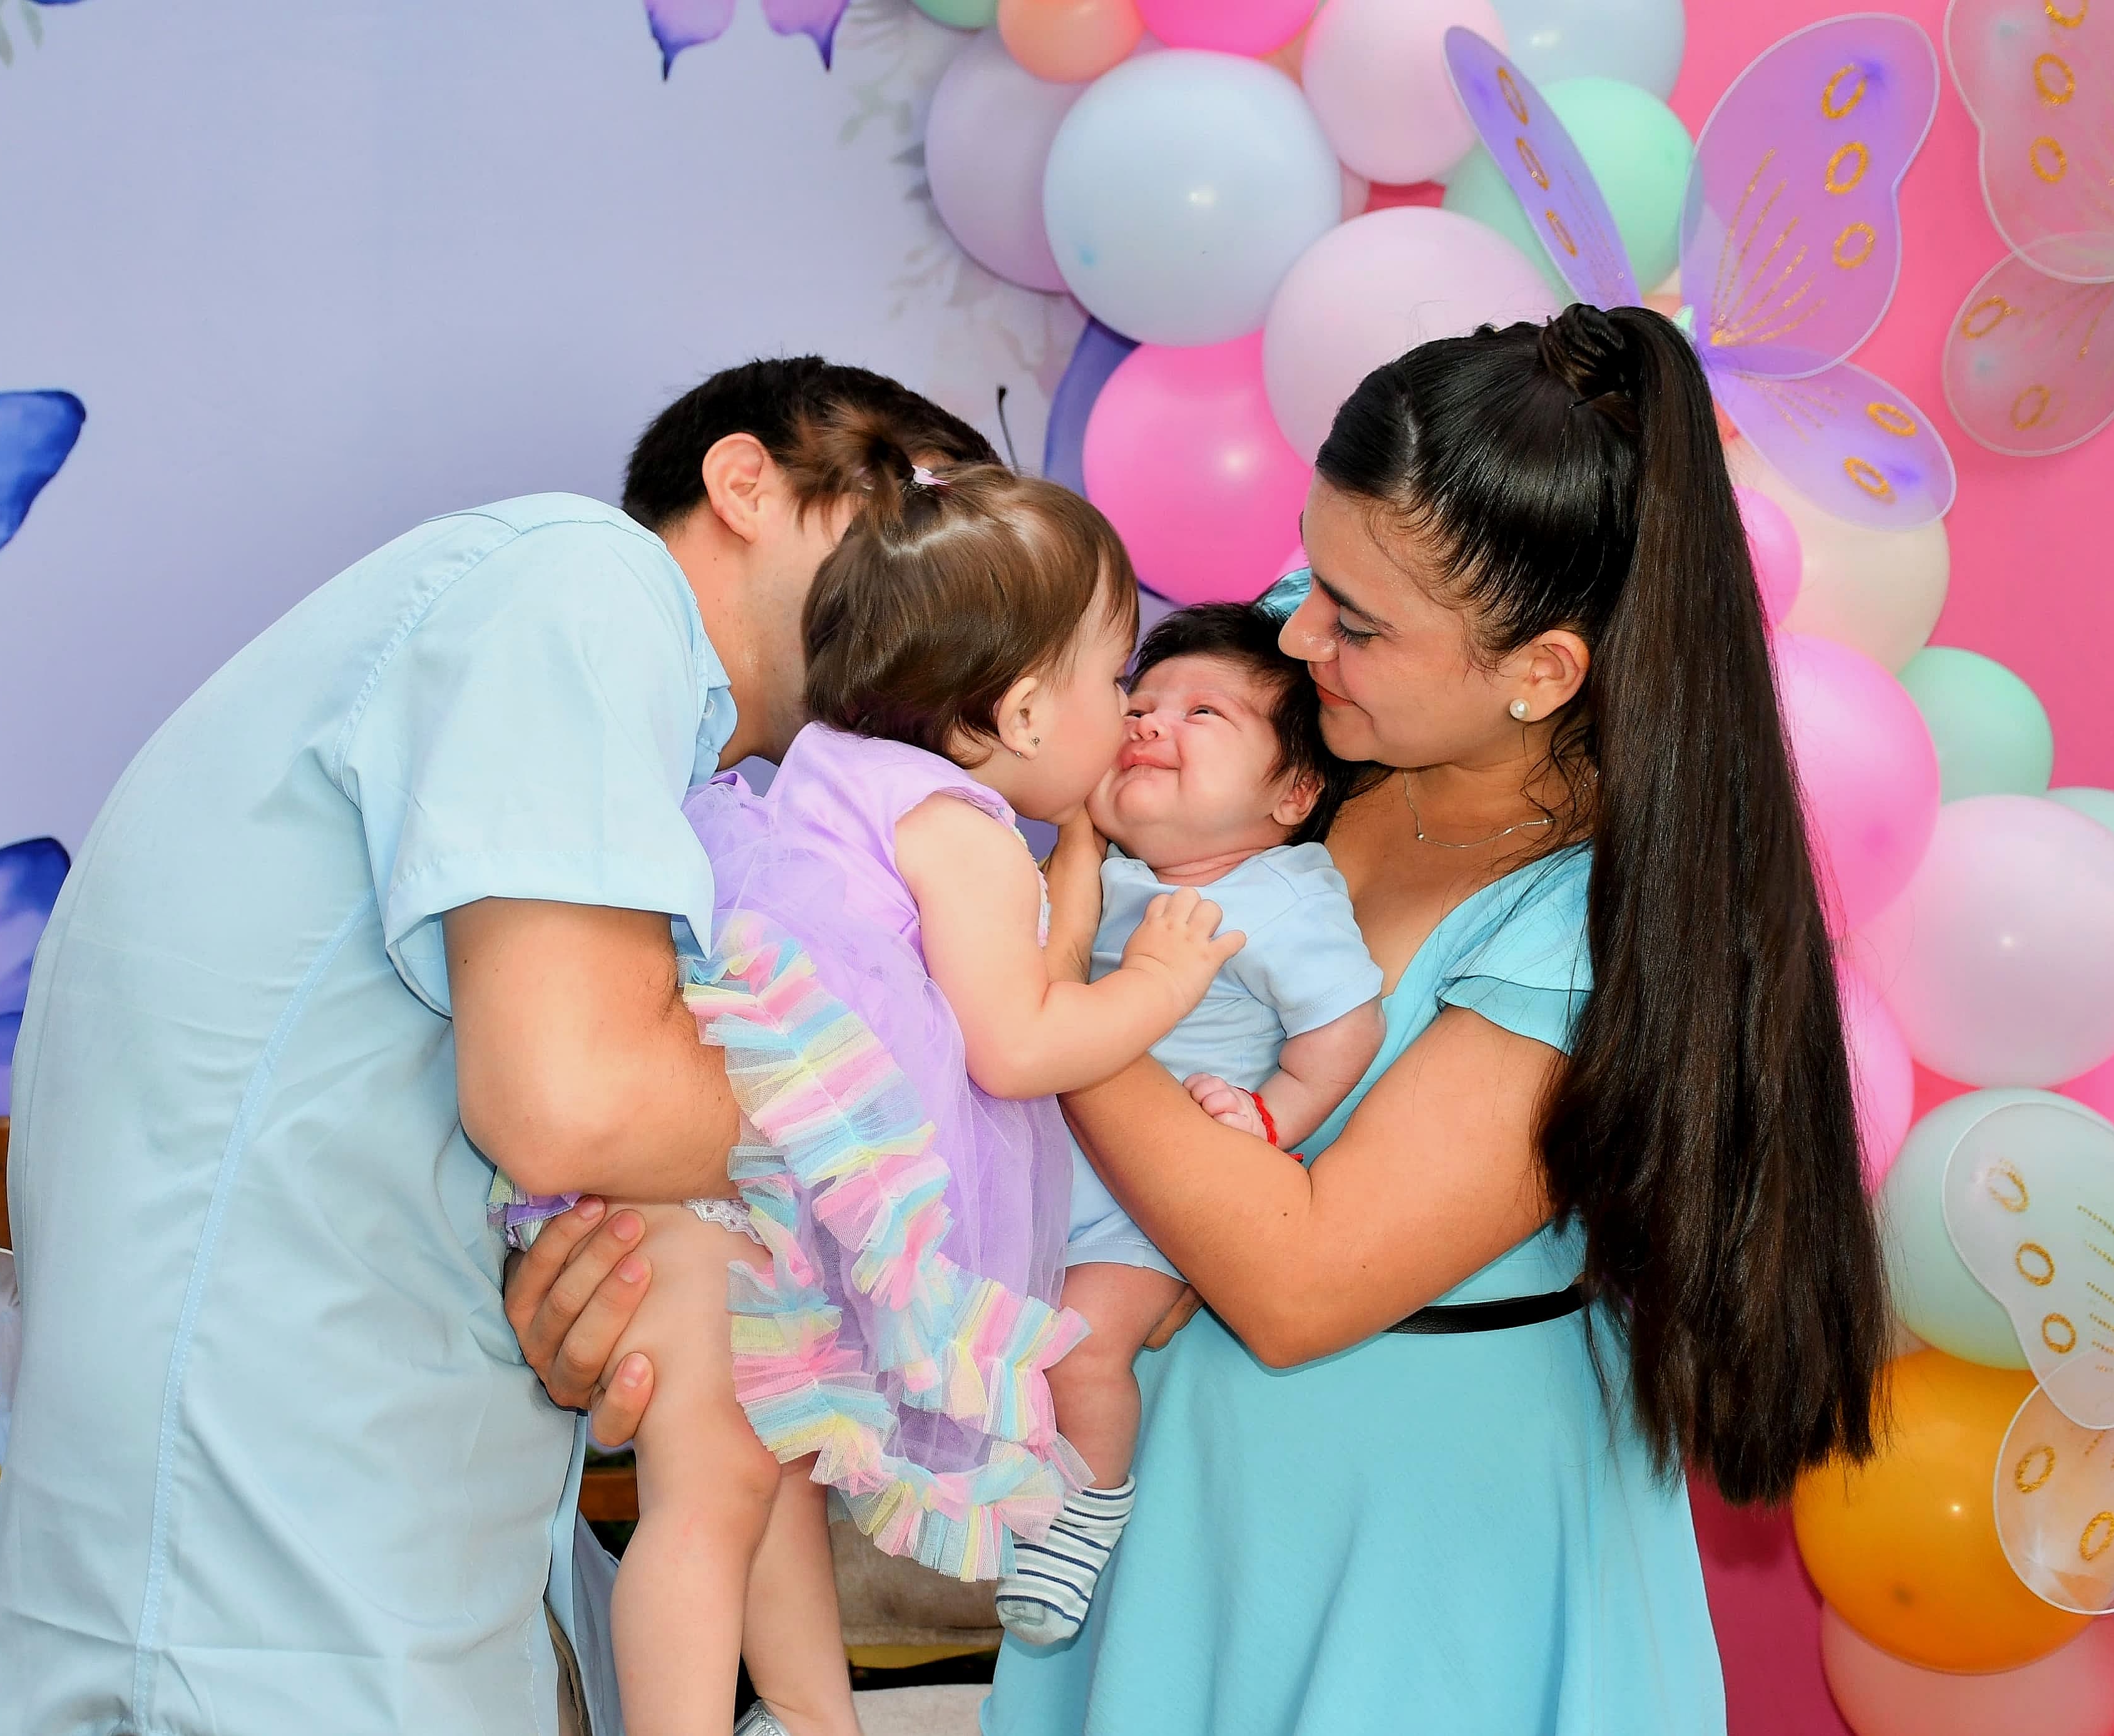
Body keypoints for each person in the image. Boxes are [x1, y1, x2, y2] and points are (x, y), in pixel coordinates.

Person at [508, 303, 1888, 1732]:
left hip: (1422, 1553)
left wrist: (1038, 1001)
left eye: (1357, 621)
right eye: (1313, 571)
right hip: (1166, 1502)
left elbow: (1296, 1280)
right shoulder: (1309, 720)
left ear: (1541, 671)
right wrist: (697, 1272)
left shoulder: (1581, 929)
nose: (1296, 629)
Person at [0, 358, 995, 1736]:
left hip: (350, 1551)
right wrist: (929, 1123)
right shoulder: (581, 580)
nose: (955, 595)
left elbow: (515, 1125)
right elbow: (576, 1097)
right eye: (923, 517)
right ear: (746, 482)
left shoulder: (686, 792)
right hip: (268, 1595)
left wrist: (579, 1291)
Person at [491, 450, 1246, 1736]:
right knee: (713, 1499)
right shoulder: (962, 831)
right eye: (1114, 678)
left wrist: (1070, 871)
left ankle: (809, 1716)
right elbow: (1017, 1045)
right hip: (748, 1201)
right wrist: (1161, 985)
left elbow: (995, 982)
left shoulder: (836, 771)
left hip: (713, 1181)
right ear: (1022, 714)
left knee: (761, 1473)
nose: (1126, 713)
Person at [994, 603, 1383, 1647]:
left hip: (1150, 1205)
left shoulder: (1281, 897)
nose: (1150, 722)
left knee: (1081, 1347)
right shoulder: (1101, 875)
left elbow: (1347, 1026)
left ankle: (1083, 1511)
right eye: (1140, 703)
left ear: (1293, 793)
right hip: (1049, 1170)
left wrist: (1270, 1114)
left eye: (1203, 713)